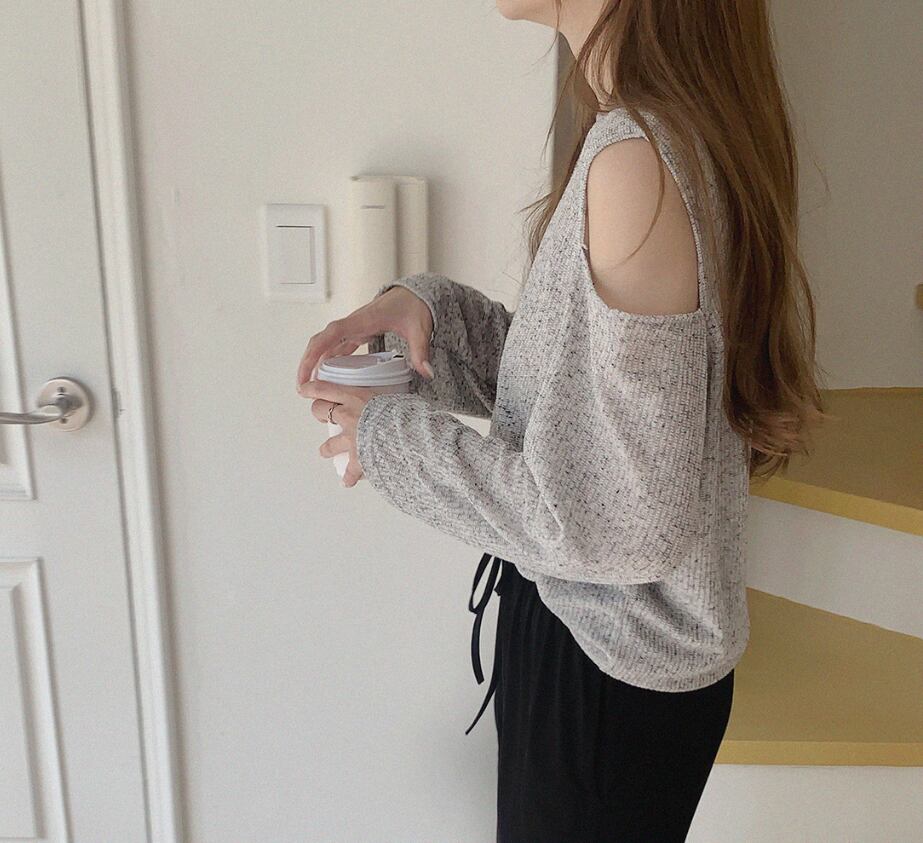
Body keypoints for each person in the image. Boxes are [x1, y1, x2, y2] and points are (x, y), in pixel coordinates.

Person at [296, 1, 824, 839]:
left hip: (604, 666)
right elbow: (581, 395)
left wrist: (388, 438)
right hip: (604, 653)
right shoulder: (656, 137)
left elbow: (616, 522)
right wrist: (427, 310)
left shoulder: (638, 160)